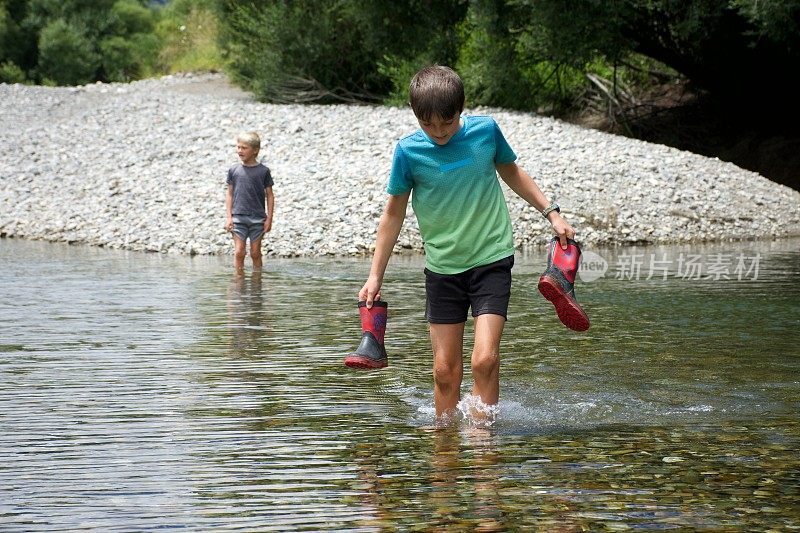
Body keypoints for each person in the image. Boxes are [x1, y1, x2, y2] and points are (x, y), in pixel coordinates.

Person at [358, 65, 577, 421]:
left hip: (491, 257)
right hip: (443, 268)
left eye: (446, 122)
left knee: (485, 360)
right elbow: (392, 215)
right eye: (428, 124)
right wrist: (374, 276)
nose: (438, 132)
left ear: (461, 109)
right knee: (445, 371)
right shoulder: (408, 152)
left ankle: (482, 447)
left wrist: (551, 212)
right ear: (416, 117)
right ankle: (445, 449)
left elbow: (511, 171)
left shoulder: (485, 132)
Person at [225, 131, 274, 271]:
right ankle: (238, 284)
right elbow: (229, 194)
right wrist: (229, 217)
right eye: (238, 147)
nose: (239, 151)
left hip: (258, 218)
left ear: (255, 151)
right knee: (239, 252)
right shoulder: (234, 170)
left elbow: (270, 195)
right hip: (238, 217)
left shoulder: (263, 171)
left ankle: (257, 282)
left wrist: (269, 219)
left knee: (255, 253)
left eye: (244, 148)